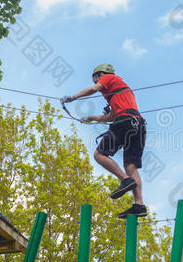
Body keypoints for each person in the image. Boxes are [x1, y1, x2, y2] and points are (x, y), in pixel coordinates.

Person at [61, 64, 147, 218]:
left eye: (95, 80)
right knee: (130, 165)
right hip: (139, 125)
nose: (96, 84)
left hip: (125, 121)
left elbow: (93, 90)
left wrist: (73, 97)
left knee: (99, 155)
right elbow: (110, 117)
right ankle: (139, 204)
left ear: (99, 75)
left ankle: (125, 180)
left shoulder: (109, 78)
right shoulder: (119, 92)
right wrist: (90, 118)